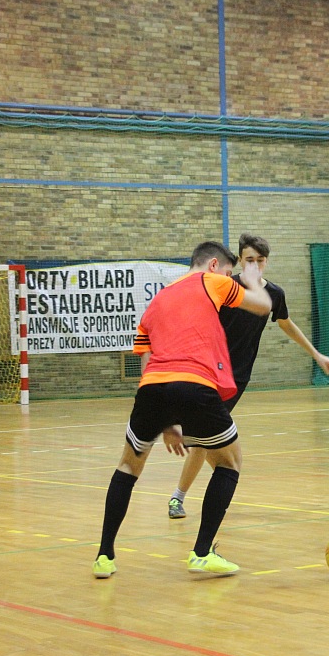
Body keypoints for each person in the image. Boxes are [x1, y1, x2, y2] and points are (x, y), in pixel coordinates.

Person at [93, 241, 272, 579]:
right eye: (230, 273)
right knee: (229, 462)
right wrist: (252, 278)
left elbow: (147, 361)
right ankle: (202, 553)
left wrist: (166, 423)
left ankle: (104, 556)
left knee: (128, 467)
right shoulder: (212, 281)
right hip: (195, 385)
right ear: (214, 264)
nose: (230, 280)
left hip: (152, 388)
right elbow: (262, 306)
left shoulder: (156, 302)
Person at [167, 233, 329, 519]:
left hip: (237, 378)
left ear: (266, 262)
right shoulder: (224, 287)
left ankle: (188, 493)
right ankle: (188, 493)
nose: (254, 266)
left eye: (260, 261)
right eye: (249, 260)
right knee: (203, 438)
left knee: (202, 438)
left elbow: (287, 324)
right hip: (209, 371)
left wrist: (316, 354)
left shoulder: (274, 294)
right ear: (239, 262)